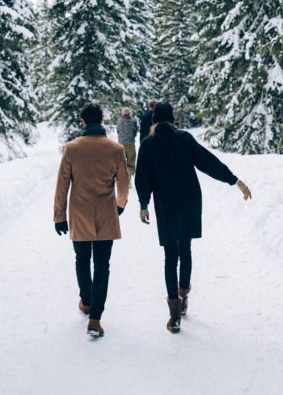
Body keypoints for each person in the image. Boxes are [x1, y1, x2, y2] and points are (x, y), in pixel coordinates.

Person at [135, 101, 252, 333]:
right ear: (172, 120)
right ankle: (183, 295)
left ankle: (174, 314)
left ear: (154, 121)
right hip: (189, 199)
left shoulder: (148, 143)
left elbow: (142, 176)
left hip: (166, 203)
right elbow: (207, 162)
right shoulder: (185, 138)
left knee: (170, 255)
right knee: (185, 249)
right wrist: (234, 180)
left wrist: (143, 203)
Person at [54, 102, 129, 338]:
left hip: (79, 214)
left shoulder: (72, 148)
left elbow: (62, 185)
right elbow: (124, 183)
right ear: (102, 119)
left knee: (82, 259)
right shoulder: (115, 149)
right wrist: (120, 204)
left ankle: (86, 301)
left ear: (83, 122)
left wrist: (59, 216)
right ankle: (95, 318)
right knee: (102, 265)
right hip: (106, 213)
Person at [116, 107, 138, 179]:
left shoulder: (119, 121)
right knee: (131, 163)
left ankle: (122, 178)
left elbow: (118, 131)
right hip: (130, 144)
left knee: (121, 163)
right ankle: (129, 178)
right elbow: (135, 132)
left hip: (121, 145)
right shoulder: (134, 121)